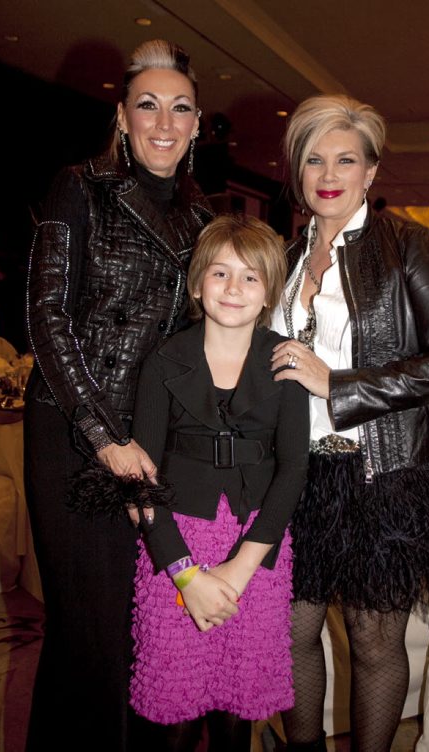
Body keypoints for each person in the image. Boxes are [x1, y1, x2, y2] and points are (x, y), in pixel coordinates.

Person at [269, 94, 429, 752]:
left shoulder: (406, 242)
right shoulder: (282, 256)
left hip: (381, 474)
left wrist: (341, 386)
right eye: (313, 159)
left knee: (373, 639)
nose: (328, 173)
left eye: (346, 159)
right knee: (291, 634)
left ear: (371, 172)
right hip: (294, 475)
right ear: (296, 171)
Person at [24, 39, 213, 752]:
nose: (164, 123)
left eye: (181, 108)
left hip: (154, 442)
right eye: (148, 105)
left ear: (197, 124)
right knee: (93, 631)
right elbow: (46, 317)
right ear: (121, 116)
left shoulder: (201, 223)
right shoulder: (80, 186)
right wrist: (105, 436)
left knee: (139, 630)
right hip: (76, 432)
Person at [128, 215, 309, 751]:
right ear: (198, 282)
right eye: (221, 273)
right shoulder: (163, 361)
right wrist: (186, 576)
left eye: (251, 277)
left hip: (258, 547)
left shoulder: (285, 364)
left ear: (271, 290)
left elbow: (293, 468)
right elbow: (141, 476)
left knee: (237, 708)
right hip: (174, 543)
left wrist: (242, 564)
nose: (234, 288)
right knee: (174, 707)